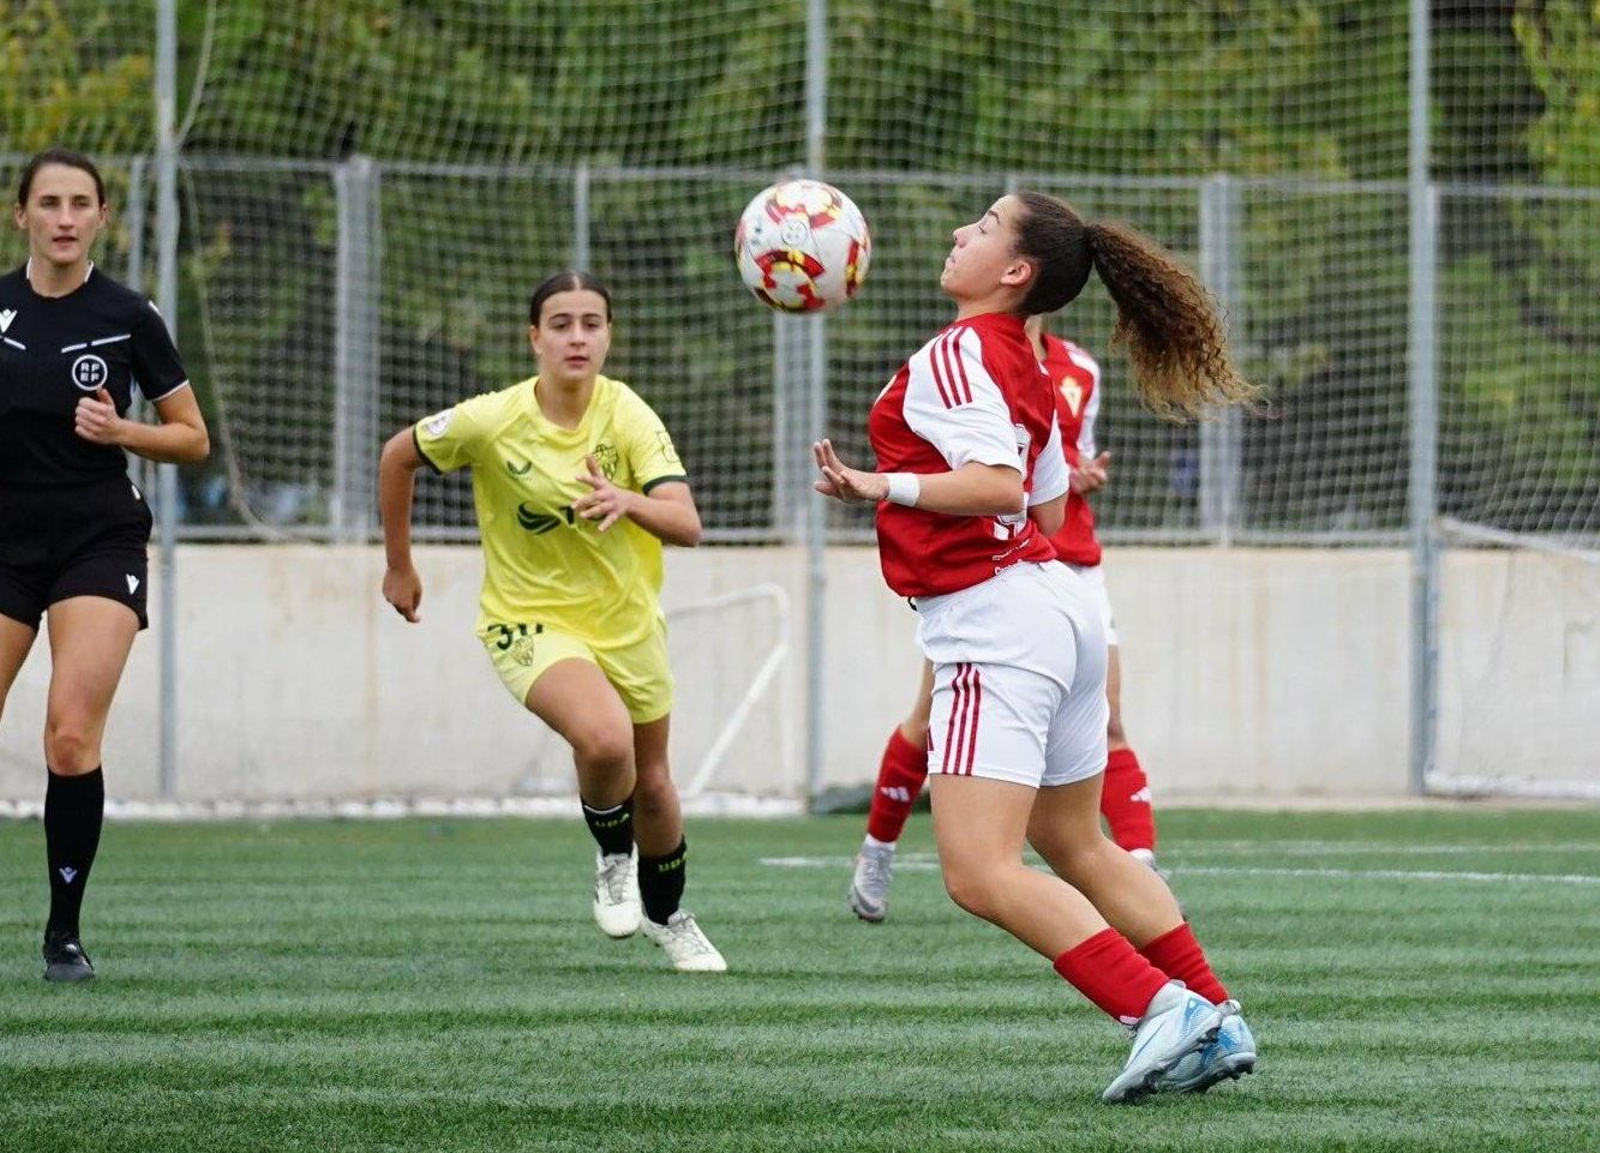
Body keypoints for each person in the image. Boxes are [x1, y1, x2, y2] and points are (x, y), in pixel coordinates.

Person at [813, 192, 1256, 1101]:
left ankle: (1164, 1011)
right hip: (1063, 607)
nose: (957, 235)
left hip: (998, 623)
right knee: (1075, 841)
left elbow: (1000, 487)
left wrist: (876, 485)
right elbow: (1050, 504)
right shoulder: (1025, 361)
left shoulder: (960, 349)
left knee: (979, 871)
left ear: (1015, 271)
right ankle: (1218, 1010)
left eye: (979, 228)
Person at [377, 270, 725, 973]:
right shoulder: (491, 419)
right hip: (528, 619)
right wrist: (399, 565)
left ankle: (669, 916)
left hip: (626, 622)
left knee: (652, 781)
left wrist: (628, 499)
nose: (577, 336)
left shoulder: (626, 413)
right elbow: (398, 455)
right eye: (561, 323)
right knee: (604, 741)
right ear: (534, 337)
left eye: (591, 323)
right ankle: (612, 854)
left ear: (608, 336)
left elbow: (686, 522)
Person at [849, 319, 1168, 926]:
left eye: (986, 226)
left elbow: (1046, 470)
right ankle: (877, 850)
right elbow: (994, 476)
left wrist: (1075, 478)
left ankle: (1141, 865)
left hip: (1069, 565)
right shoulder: (966, 356)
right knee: (927, 724)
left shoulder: (1076, 368)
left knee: (1111, 722)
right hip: (995, 574)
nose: (963, 238)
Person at [0, 148, 211, 982]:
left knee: (69, 734)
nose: (62, 216)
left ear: (100, 218)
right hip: (4, 542)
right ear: (21, 214)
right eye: (47, 202)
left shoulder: (129, 314)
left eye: (78, 202)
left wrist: (124, 432)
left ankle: (63, 934)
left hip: (97, 539)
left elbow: (192, 436)